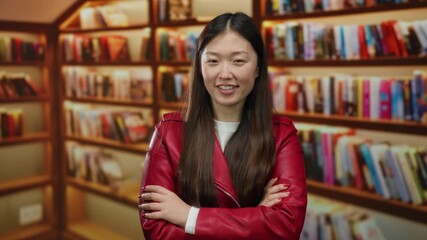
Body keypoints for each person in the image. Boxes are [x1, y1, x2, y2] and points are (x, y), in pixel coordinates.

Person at [138, 12, 307, 240]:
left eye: (238, 61)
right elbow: (156, 231)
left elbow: (287, 226)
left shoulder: (282, 134)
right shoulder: (168, 132)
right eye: (213, 61)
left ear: (258, 68)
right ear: (200, 66)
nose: (225, 74)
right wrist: (258, 215)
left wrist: (189, 216)